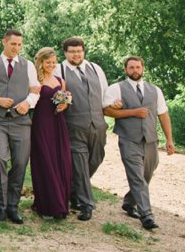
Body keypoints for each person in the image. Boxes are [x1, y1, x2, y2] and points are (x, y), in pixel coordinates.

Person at [0, 29, 40, 224]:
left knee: (20, 163)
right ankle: (0, 207)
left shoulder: (28, 66)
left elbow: (35, 90)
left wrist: (28, 103)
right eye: (13, 44)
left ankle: (13, 206)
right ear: (4, 42)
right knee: (0, 159)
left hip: (21, 121)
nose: (17, 48)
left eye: (20, 45)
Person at [103, 56, 176, 231]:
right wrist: (133, 112)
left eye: (137, 67)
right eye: (131, 68)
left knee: (146, 175)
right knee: (137, 177)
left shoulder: (155, 90)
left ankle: (129, 202)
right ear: (125, 70)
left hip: (150, 140)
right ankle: (147, 215)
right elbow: (106, 110)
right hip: (129, 139)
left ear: (143, 68)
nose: (135, 70)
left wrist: (169, 140)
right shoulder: (116, 88)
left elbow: (163, 115)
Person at [53, 37, 110, 221]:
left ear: (83, 51)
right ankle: (85, 204)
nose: (76, 55)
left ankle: (74, 191)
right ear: (65, 53)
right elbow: (55, 98)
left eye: (79, 51)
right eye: (72, 52)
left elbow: (104, 94)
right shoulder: (59, 70)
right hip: (74, 126)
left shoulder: (95, 69)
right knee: (79, 164)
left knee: (96, 158)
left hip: (98, 125)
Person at [29, 48, 73, 219]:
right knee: (45, 160)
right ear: (41, 62)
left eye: (54, 62)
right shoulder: (35, 80)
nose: (51, 65)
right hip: (41, 123)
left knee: (61, 160)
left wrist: (65, 105)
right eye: (48, 62)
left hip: (58, 124)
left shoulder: (60, 80)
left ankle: (60, 201)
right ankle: (47, 205)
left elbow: (65, 99)